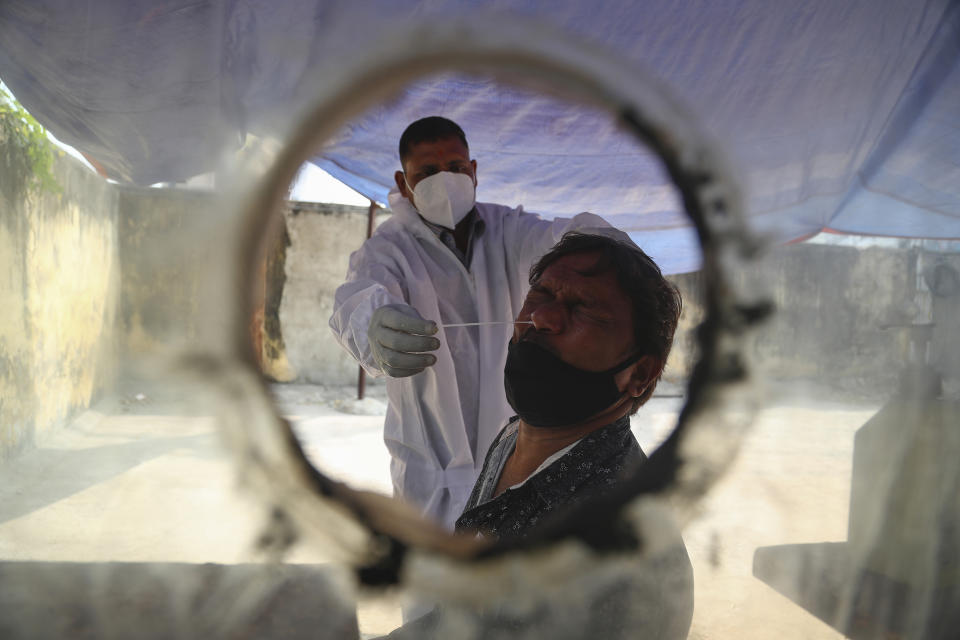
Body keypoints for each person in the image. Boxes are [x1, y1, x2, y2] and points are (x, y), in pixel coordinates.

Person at [380, 231, 693, 640]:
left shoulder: (611, 542)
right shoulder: (515, 438)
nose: (543, 317)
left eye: (585, 309)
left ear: (640, 374)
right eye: (540, 294)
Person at [329, 116, 616, 529]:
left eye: (456, 168)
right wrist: (371, 324)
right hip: (429, 472)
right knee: (433, 584)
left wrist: (610, 252)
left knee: (505, 581)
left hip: (514, 456)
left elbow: (569, 241)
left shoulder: (510, 231)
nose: (444, 181)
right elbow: (355, 299)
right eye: (426, 172)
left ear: (474, 170)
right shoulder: (387, 250)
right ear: (402, 179)